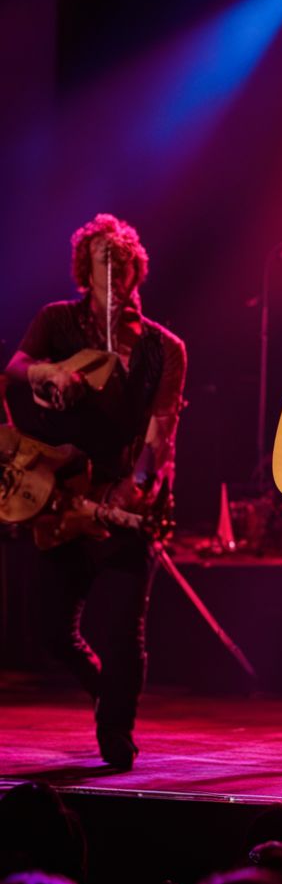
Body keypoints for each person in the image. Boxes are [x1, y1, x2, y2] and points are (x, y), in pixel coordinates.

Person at [4, 213, 186, 770]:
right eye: (103, 261)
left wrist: (140, 487)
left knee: (124, 627)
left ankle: (116, 731)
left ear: (136, 271)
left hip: (121, 497)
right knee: (51, 631)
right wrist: (49, 375)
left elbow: (162, 429)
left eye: (123, 261)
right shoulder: (57, 322)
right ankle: (106, 690)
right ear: (85, 269)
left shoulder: (165, 348)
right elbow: (15, 368)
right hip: (59, 495)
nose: (114, 270)